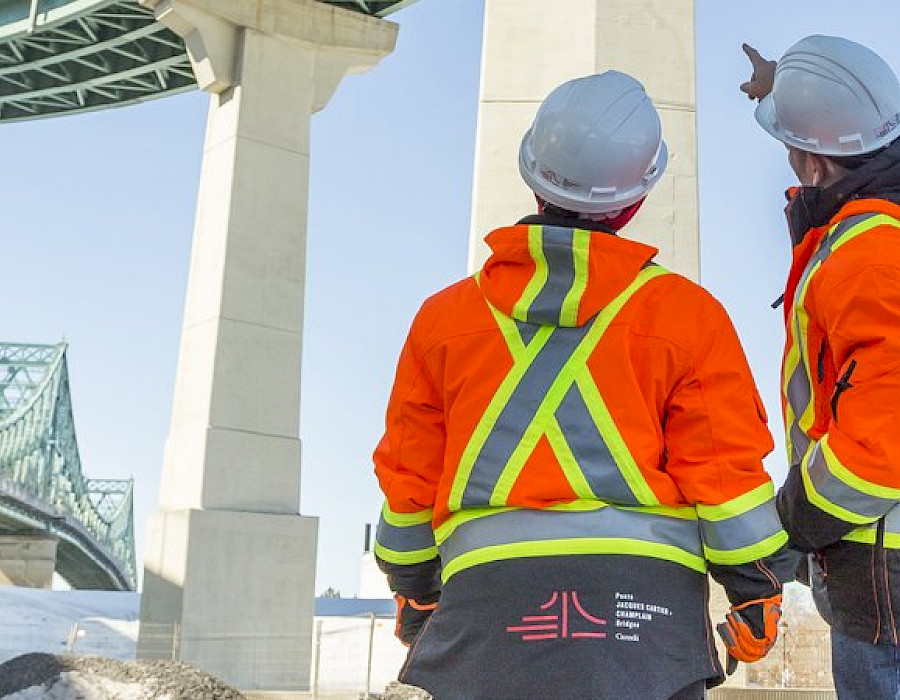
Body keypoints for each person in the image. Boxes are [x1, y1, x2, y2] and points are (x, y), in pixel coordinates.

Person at [373, 71, 795, 700]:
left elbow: (409, 479)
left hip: (485, 614)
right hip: (645, 624)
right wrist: (756, 586)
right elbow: (725, 476)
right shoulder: (686, 316)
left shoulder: (444, 321)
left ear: (532, 176)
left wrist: (415, 588)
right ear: (636, 200)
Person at [741, 35, 900, 700]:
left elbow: (881, 444)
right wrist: (789, 85)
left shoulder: (866, 254)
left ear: (811, 158)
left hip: (880, 575)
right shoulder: (875, 231)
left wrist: (792, 526)